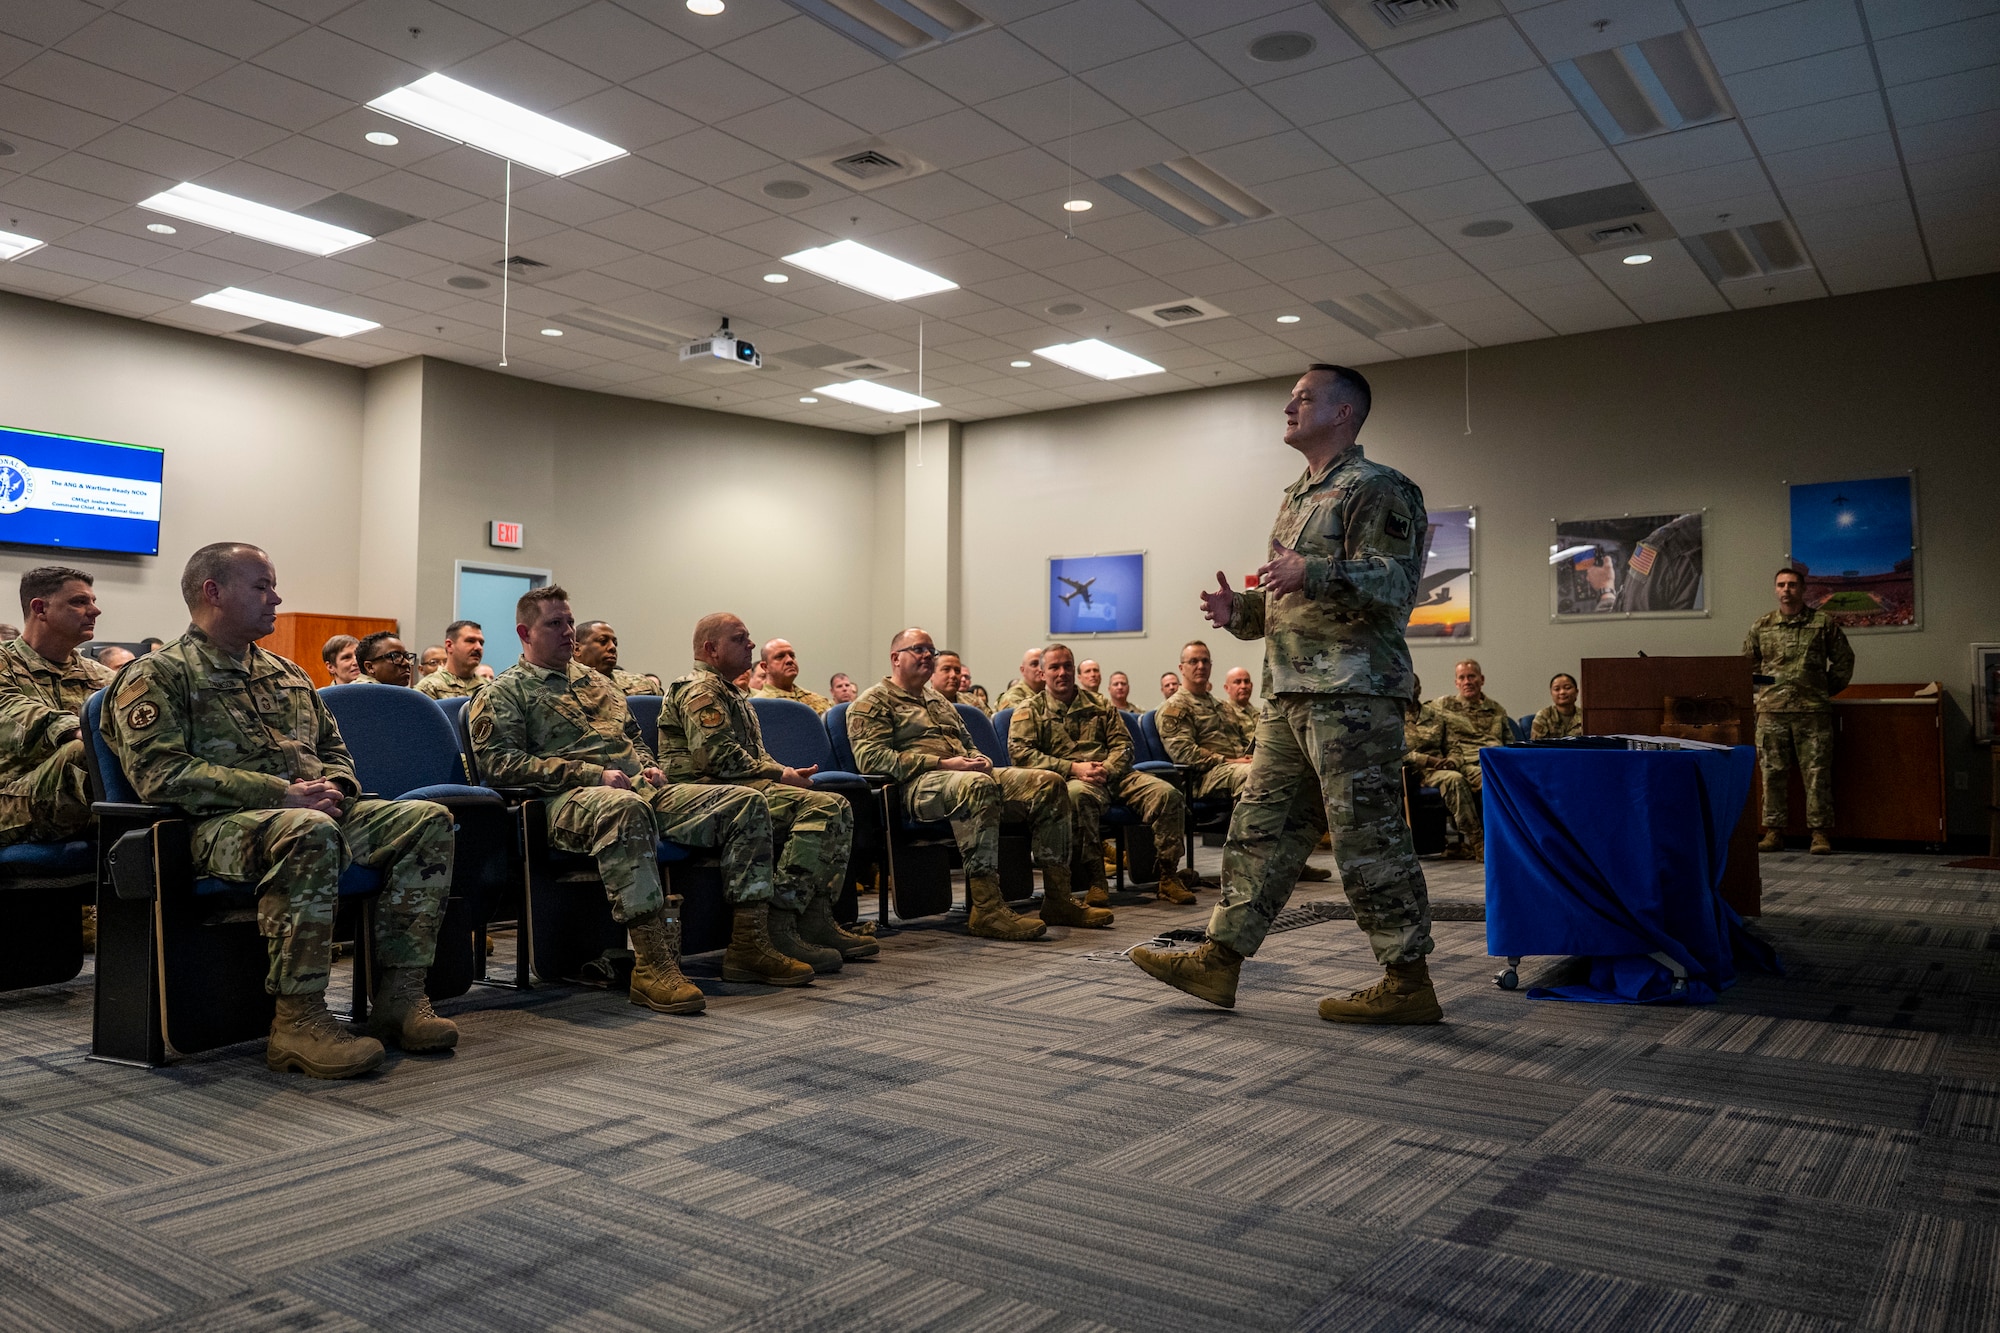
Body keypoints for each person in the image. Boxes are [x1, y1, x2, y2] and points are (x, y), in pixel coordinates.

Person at [1130, 364, 1440, 1024]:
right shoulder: (1297, 496)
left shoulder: (1380, 487)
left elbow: (1396, 585)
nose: (1287, 407)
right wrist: (1239, 609)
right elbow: (1292, 602)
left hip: (1353, 697)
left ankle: (1408, 977)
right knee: (1258, 831)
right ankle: (1219, 960)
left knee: (1367, 837)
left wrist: (1314, 568)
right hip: (1290, 695)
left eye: (1302, 399)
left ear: (1343, 414)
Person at [105, 543, 457, 1078]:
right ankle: (300, 1021)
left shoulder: (287, 673)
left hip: (303, 812)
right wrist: (280, 794)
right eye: (262, 586)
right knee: (308, 830)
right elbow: (160, 774)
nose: (277, 597)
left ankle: (400, 999)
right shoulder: (158, 675)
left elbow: (336, 751)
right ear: (213, 592)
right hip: (210, 827)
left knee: (426, 820)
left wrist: (334, 784)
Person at [468, 587, 807, 1007]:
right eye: (554, 624)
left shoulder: (599, 684)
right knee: (624, 808)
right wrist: (593, 774)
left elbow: (631, 737)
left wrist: (648, 764)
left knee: (744, 803)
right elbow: (499, 766)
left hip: (637, 789)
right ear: (525, 632)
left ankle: (748, 945)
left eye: (570, 622)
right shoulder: (503, 692)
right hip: (564, 802)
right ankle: (652, 964)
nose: (568, 632)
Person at [849, 628, 1098, 938]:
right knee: (976, 787)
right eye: (918, 649)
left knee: (1049, 782)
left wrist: (979, 760)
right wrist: (943, 763)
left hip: (961, 776)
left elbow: (967, 743)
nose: (928, 655)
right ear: (895, 658)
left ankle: (1058, 897)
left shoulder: (938, 701)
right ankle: (987, 908)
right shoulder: (872, 701)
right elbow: (871, 760)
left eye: (932, 650)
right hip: (916, 787)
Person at [659, 613, 873, 972]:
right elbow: (717, 759)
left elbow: (751, 758)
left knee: (836, 804)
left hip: (735, 788)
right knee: (817, 809)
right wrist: (780, 773)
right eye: (740, 638)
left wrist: (781, 773)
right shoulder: (699, 689)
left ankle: (814, 918)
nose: (751, 645)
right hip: (701, 795)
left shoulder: (730, 691)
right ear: (711, 649)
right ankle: (777, 924)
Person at [1010, 643, 1196, 906]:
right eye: (1054, 667)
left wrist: (1106, 769)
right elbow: (1021, 754)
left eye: (1067, 666)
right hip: (1072, 779)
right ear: (1042, 673)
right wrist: (1073, 768)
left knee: (1167, 794)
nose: (1062, 672)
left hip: (1113, 774)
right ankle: (1096, 881)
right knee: (1077, 797)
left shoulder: (1099, 703)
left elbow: (1124, 744)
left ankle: (1168, 876)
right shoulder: (1029, 710)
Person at [1159, 641, 1331, 884]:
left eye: (1205, 661)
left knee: (1288, 772)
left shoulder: (1220, 706)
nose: (1200, 666)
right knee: (1253, 775)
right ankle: (1248, 865)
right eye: (1193, 661)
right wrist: (1231, 759)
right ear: (1181, 667)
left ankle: (1288, 859)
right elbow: (1183, 753)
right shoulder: (1174, 707)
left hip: (1234, 768)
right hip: (1201, 778)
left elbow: (1246, 741)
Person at [0, 567, 112, 863]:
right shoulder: (5, 663)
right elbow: (10, 711)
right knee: (86, 749)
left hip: (84, 807)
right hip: (11, 803)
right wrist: (79, 731)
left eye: (93, 600)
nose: (95, 610)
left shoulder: (103, 678)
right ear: (40, 608)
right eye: (79, 602)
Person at [1746, 567, 1854, 855]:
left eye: (1792, 585)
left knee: (1817, 772)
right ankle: (1773, 831)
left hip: (1812, 712)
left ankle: (1819, 834)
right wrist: (1771, 687)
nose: (1786, 589)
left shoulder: (1823, 623)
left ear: (1803, 589)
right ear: (1775, 589)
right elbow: (1747, 667)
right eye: (1781, 584)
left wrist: (1820, 689)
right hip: (1772, 712)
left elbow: (1844, 662)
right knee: (1772, 773)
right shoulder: (1762, 625)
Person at [1415, 659, 1509, 861]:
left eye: (1472, 676)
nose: (1467, 681)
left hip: (1497, 761)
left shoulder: (1496, 710)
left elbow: (1510, 742)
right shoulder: (1442, 706)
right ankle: (1491, 843)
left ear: (1481, 679)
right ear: (1456, 682)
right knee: (1492, 785)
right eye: (1462, 678)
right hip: (1468, 764)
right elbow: (1416, 718)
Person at [574, 620, 662, 696]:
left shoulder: (643, 684)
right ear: (577, 649)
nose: (612, 647)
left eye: (615, 643)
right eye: (603, 641)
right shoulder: (565, 689)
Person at [753, 637, 831, 714]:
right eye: (780, 656)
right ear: (765, 667)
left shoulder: (818, 700)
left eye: (792, 655)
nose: (789, 660)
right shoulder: (758, 706)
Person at [416, 620, 485, 698]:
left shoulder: (488, 688)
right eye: (470, 641)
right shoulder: (428, 688)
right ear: (449, 645)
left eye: (481, 643)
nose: (478, 647)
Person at [1530, 673, 1583, 740]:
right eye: (1557, 689)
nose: (1562, 692)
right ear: (1551, 693)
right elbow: (1537, 746)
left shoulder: (1585, 716)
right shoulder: (1544, 716)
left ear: (1576, 692)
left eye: (1567, 688)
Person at [992, 648, 1043, 713]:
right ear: (1023, 670)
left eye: (1042, 664)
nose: (1040, 669)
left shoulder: (1052, 693)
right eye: (1034, 664)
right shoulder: (1012, 697)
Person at [1224, 666, 1261, 750]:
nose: (1243, 686)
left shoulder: (1262, 714)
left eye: (1246, 681)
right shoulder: (1222, 713)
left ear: (1251, 686)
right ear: (1227, 688)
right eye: (1237, 682)